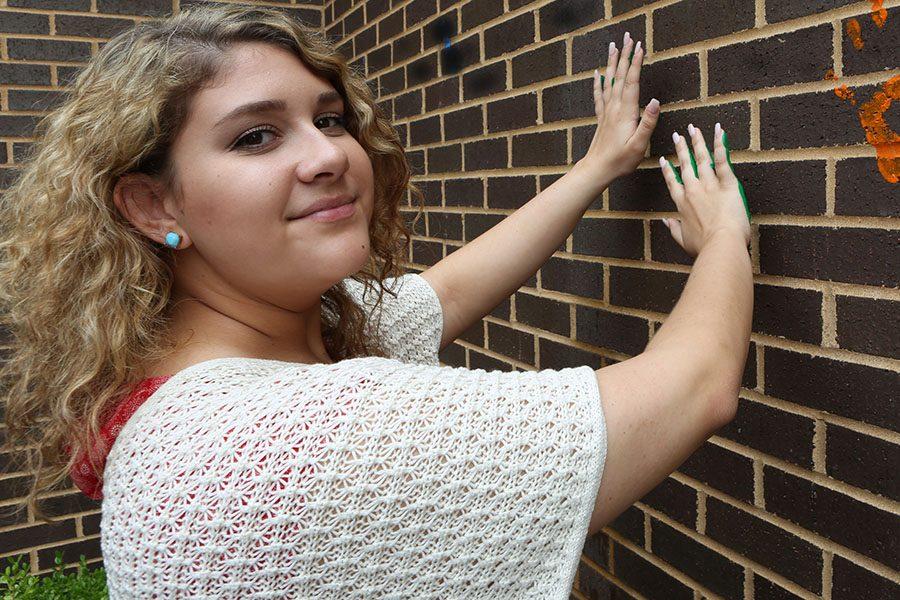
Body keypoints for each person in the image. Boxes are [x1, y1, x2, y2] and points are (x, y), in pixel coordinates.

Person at [0, 3, 752, 598]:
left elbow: (448, 289)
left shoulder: (248, 350)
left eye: (329, 119)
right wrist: (723, 237)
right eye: (257, 137)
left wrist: (598, 166)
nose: (330, 154)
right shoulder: (265, 439)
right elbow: (691, 388)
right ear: (154, 206)